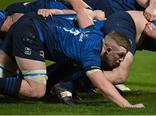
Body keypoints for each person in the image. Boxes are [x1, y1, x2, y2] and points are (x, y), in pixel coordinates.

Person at [0, 2, 145, 108]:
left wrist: (58, 12)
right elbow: (102, 84)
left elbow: (81, 13)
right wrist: (126, 105)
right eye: (119, 55)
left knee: (6, 83)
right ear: (107, 49)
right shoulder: (91, 53)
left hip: (27, 22)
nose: (121, 60)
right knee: (36, 90)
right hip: (30, 32)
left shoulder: (94, 32)